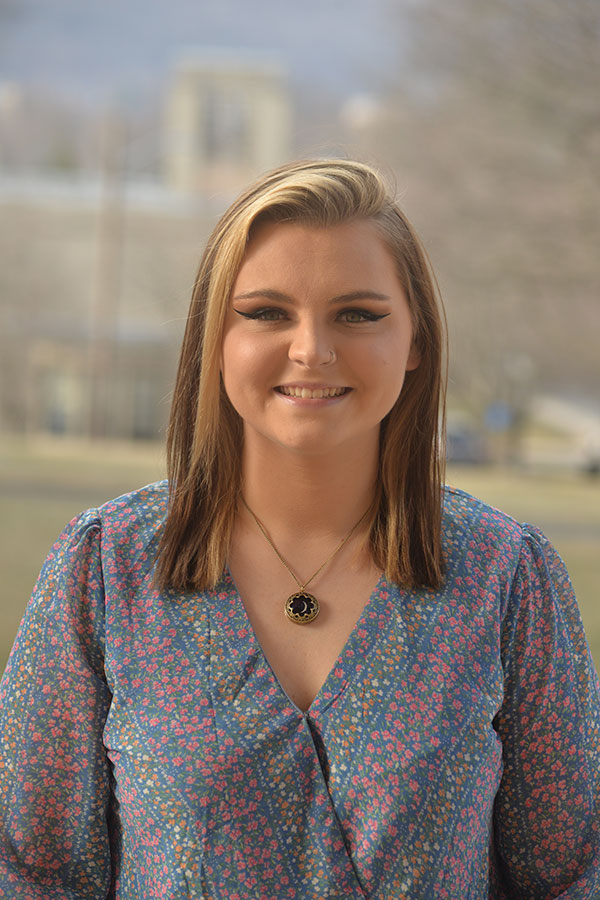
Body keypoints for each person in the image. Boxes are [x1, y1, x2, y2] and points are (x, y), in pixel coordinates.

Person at [0, 159, 598, 899]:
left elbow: (574, 875)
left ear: (416, 342)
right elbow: (31, 872)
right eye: (265, 313)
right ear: (214, 337)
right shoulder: (104, 566)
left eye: (358, 314)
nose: (312, 348)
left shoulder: (507, 575)